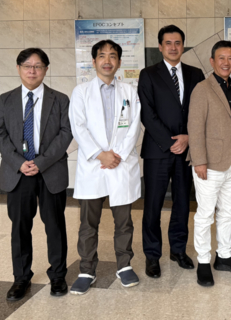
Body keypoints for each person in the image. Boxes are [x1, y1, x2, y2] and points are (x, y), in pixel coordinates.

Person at [0, 48, 73, 301]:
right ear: (18, 69)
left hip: (51, 171)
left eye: (38, 66)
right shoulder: (6, 99)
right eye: (27, 65)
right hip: (18, 173)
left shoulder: (60, 99)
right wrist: (20, 162)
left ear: (46, 69)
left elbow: (65, 133)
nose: (32, 70)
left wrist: (41, 162)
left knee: (55, 226)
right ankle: (21, 278)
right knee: (20, 227)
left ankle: (58, 275)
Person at [69, 40, 142, 295]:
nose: (107, 60)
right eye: (102, 56)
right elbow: (78, 127)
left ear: (119, 62)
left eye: (113, 56)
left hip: (120, 164)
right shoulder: (81, 92)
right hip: (94, 166)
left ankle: (124, 266)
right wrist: (101, 155)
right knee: (88, 224)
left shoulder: (130, 92)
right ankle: (86, 270)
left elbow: (134, 126)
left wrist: (116, 155)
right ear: (94, 61)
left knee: (124, 222)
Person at [138, 25, 205, 278]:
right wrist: (169, 141)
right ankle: (152, 255)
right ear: (160, 46)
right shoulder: (148, 74)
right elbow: (147, 113)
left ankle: (178, 250)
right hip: (158, 150)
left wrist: (188, 138)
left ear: (183, 45)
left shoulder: (195, 73)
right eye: (168, 43)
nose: (173, 47)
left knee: (182, 203)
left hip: (187, 150)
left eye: (178, 42)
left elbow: (200, 111)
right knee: (153, 204)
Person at [187, 40, 231, 287]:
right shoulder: (202, 89)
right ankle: (203, 260)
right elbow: (195, 127)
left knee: (227, 212)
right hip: (209, 164)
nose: (226, 62)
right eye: (221, 58)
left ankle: (223, 256)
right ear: (212, 61)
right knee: (205, 215)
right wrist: (199, 161)